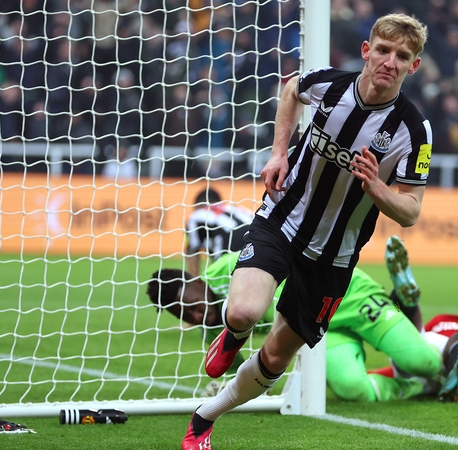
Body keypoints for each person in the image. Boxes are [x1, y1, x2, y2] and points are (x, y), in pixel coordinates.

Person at [180, 13, 434, 449]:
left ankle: (205, 417)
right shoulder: (329, 85)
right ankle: (234, 335)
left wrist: (376, 187)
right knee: (243, 311)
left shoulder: (415, 131)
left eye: (402, 56)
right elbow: (291, 90)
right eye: (384, 50)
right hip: (282, 220)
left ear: (413, 66)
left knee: (277, 355)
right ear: (366, 51)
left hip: (334, 257)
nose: (390, 61)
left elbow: (410, 211)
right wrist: (279, 152)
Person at [147, 236, 458, 405]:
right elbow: (243, 371)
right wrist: (225, 386)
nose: (194, 315)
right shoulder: (216, 333)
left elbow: (285, 296)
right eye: (183, 315)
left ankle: (456, 355)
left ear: (194, 281)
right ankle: (427, 385)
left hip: (350, 295)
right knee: (352, 389)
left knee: (419, 358)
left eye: (190, 304)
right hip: (319, 328)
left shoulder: (234, 269)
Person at [184, 188, 254, 275]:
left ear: (198, 205)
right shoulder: (238, 208)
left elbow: (192, 252)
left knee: (217, 283)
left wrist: (193, 279)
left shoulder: (196, 216)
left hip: (230, 249)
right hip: (257, 241)